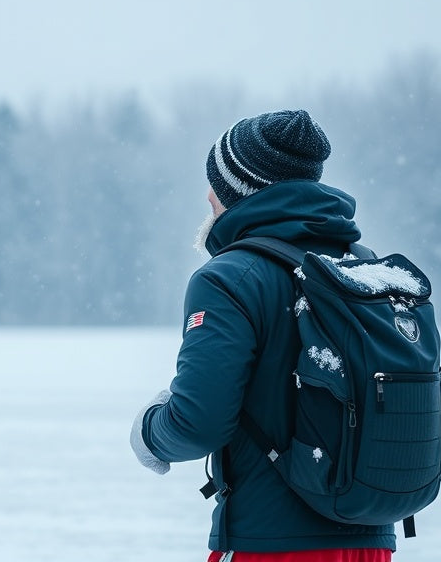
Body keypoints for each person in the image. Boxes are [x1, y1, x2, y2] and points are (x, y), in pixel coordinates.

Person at [130, 110, 395, 561]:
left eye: (214, 183)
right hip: (368, 543)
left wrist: (150, 432)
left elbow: (199, 422)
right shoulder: (362, 267)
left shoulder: (229, 278)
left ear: (237, 190)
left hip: (269, 543)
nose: (207, 196)